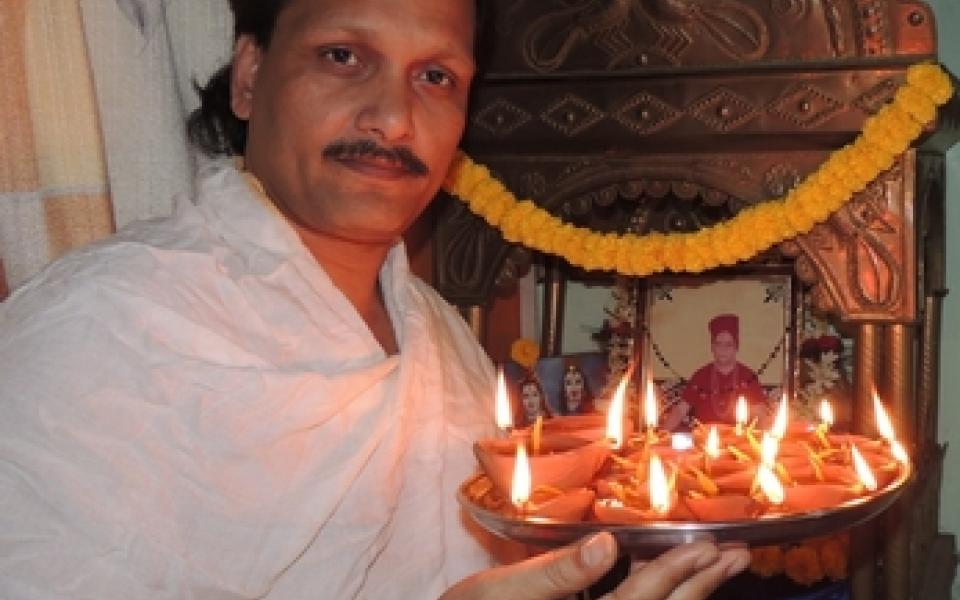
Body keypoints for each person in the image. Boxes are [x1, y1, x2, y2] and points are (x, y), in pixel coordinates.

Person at [0, 0, 750, 598]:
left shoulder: (438, 332)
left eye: (436, 77)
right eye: (343, 56)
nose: (392, 119)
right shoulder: (96, 333)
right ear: (251, 76)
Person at [675, 314, 767, 426]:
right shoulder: (700, 376)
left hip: (739, 441)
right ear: (712, 347)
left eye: (728, 345)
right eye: (718, 344)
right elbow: (680, 411)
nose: (723, 350)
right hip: (704, 439)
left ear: (736, 347)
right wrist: (660, 435)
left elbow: (761, 415)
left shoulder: (748, 376)